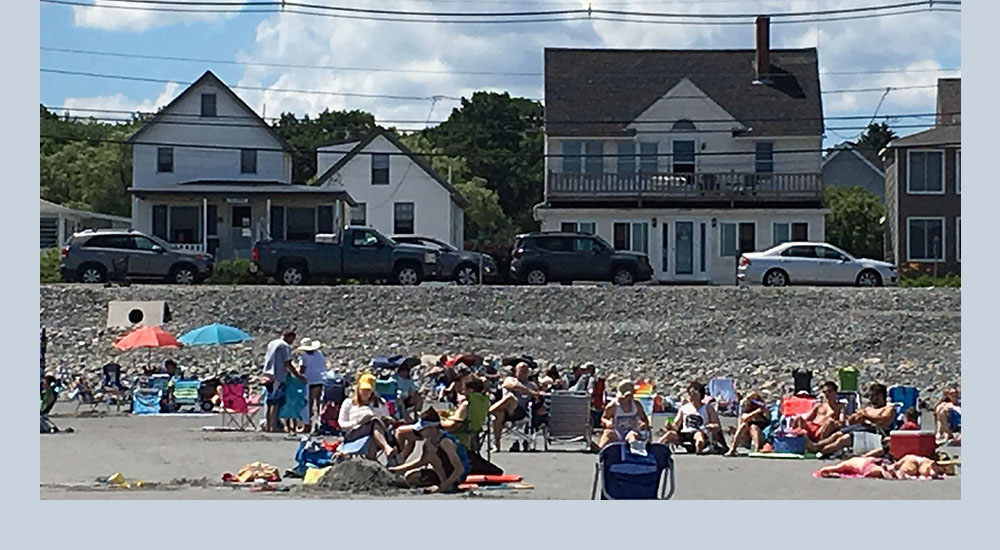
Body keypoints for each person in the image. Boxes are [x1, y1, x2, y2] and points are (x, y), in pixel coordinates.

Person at [389, 408, 471, 493]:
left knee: (432, 457)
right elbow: (422, 461)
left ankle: (446, 484)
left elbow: (459, 469)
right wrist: (397, 469)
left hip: (456, 475)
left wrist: (444, 486)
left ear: (432, 428)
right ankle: (440, 482)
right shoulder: (430, 441)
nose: (419, 432)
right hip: (444, 470)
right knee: (410, 477)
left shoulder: (445, 442)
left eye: (422, 429)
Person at [811, 383, 897, 457]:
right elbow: (852, 421)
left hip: (876, 433)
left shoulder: (889, 409)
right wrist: (854, 418)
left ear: (881, 396)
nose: (871, 398)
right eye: (871, 395)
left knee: (843, 439)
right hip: (862, 428)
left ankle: (821, 451)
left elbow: (884, 420)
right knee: (837, 434)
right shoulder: (868, 409)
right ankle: (817, 446)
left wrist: (865, 416)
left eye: (874, 395)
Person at [338, 373, 397, 460]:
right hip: (355, 433)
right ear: (358, 389)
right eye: (363, 389)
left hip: (376, 434)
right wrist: (357, 423)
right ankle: (386, 448)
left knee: (374, 428)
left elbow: (386, 417)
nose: (365, 392)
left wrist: (387, 420)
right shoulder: (348, 403)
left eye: (368, 390)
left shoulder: (380, 403)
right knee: (373, 421)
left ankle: (372, 461)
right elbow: (341, 423)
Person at [488, 361, 544, 452]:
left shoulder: (532, 385)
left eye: (526, 371)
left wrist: (536, 394)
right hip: (504, 410)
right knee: (498, 415)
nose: (523, 373)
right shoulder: (509, 379)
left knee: (510, 398)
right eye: (521, 371)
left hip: (519, 410)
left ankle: (488, 411)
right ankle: (496, 445)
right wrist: (530, 392)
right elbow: (513, 385)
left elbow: (537, 399)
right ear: (516, 371)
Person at [659, 381, 725, 454]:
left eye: (695, 394)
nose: (692, 396)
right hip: (685, 433)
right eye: (690, 394)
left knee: (699, 436)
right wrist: (670, 425)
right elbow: (676, 425)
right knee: (670, 434)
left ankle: (699, 448)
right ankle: (656, 448)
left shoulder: (707, 408)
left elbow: (717, 425)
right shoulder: (684, 408)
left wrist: (711, 426)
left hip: (700, 431)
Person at [262, 330, 304, 433]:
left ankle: (268, 425)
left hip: (267, 374)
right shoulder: (284, 346)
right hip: (277, 375)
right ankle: (272, 426)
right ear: (288, 337)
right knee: (275, 402)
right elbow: (287, 363)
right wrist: (298, 376)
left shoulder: (272, 343)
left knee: (269, 401)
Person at [791, 381, 846, 451]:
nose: (827, 394)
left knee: (829, 421)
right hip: (812, 427)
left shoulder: (839, 407)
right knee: (798, 419)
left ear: (835, 392)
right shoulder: (819, 405)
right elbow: (807, 418)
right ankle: (793, 441)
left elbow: (841, 423)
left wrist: (833, 423)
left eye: (829, 391)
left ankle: (819, 445)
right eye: (824, 392)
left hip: (823, 430)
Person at [597, 379, 650, 448]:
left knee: (632, 435)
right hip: (617, 432)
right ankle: (600, 448)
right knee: (608, 432)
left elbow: (644, 419)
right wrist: (607, 422)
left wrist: (643, 424)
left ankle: (635, 447)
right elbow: (604, 418)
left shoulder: (636, 405)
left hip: (632, 430)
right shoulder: (613, 406)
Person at [815, 454, 947, 480]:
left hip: (877, 465)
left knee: (871, 469)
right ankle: (833, 469)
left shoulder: (855, 462)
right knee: (873, 470)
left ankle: (833, 469)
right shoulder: (916, 460)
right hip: (881, 465)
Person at [725, 391, 771, 456]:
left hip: (761, 436)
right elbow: (744, 418)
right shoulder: (747, 410)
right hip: (746, 437)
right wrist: (756, 412)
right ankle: (732, 449)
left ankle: (756, 448)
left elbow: (768, 420)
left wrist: (763, 410)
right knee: (744, 425)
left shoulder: (764, 410)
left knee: (753, 427)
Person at [296, 337, 327, 431]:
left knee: (308, 403)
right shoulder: (319, 354)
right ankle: (318, 423)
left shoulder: (304, 356)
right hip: (319, 380)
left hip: (308, 381)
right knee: (316, 404)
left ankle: (307, 424)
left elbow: (302, 369)